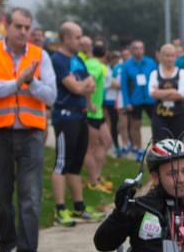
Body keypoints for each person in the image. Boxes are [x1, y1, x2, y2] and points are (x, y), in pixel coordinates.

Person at [0, 6, 57, 252]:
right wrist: (15, 83)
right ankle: (5, 241)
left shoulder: (40, 55)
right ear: (6, 27)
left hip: (31, 133)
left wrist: (31, 83)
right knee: (0, 194)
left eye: (27, 27)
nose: (23, 32)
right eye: (18, 26)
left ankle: (28, 250)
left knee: (30, 195)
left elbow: (51, 96)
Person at [48, 21, 94, 226]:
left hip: (80, 115)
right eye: (77, 37)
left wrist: (81, 86)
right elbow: (74, 87)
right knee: (62, 162)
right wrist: (80, 86)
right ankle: (60, 209)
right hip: (65, 117)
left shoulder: (78, 59)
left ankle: (79, 207)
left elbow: (90, 84)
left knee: (76, 163)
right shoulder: (57, 60)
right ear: (65, 38)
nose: (81, 41)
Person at [82, 39, 112, 193]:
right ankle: (93, 182)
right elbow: (89, 83)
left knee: (106, 142)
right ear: (105, 54)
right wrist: (89, 104)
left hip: (97, 112)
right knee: (91, 148)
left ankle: (97, 177)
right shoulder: (95, 66)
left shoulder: (93, 64)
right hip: (91, 112)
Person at [119, 39, 157, 150]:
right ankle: (138, 148)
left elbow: (156, 80)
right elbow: (124, 86)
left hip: (151, 99)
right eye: (136, 48)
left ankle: (157, 148)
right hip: (135, 100)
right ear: (131, 50)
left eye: (141, 48)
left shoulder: (151, 63)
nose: (139, 51)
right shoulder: (127, 65)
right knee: (135, 125)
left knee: (156, 124)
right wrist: (127, 102)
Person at [149, 42, 184, 142]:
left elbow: (181, 94)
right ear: (161, 56)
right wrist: (172, 91)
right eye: (167, 55)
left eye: (172, 55)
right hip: (159, 116)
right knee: (159, 143)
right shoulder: (154, 73)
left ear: (176, 57)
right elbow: (152, 94)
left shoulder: (182, 73)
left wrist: (160, 92)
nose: (169, 59)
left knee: (178, 144)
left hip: (178, 115)